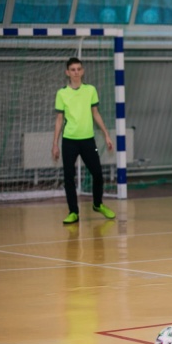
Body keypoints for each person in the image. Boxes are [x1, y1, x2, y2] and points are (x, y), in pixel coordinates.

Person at [52, 57, 116, 224]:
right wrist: (55, 144)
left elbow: (95, 113)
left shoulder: (90, 90)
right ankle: (73, 212)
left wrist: (106, 134)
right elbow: (59, 120)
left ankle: (97, 204)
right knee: (69, 177)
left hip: (88, 141)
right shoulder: (62, 93)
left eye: (79, 69)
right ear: (67, 72)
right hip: (69, 141)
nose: (76, 72)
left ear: (83, 71)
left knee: (98, 174)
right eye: (73, 69)